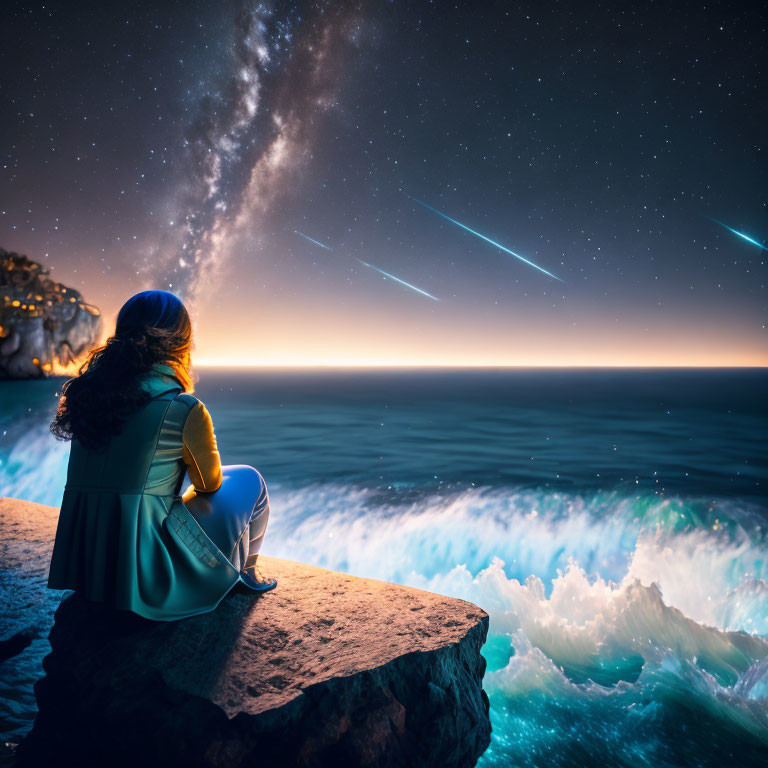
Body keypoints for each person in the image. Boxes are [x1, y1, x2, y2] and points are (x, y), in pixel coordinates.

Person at [47, 289, 276, 622]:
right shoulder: (182, 408)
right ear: (180, 344)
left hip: (89, 567)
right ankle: (246, 574)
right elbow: (209, 485)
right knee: (249, 479)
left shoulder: (87, 397)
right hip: (147, 573)